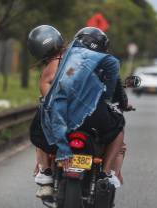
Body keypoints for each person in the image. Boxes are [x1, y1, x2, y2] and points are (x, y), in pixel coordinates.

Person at [40, 27, 126, 183]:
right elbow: (115, 90)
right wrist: (112, 100)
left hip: (64, 114)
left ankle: (45, 170)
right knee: (118, 129)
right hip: (94, 115)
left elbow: (48, 83)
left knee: (42, 124)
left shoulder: (63, 59)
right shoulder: (104, 62)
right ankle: (105, 173)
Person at [27, 25, 64, 197]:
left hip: (62, 116)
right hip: (88, 117)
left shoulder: (50, 68)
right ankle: (109, 174)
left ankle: (45, 172)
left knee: (40, 133)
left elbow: (48, 98)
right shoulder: (79, 58)